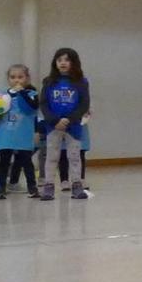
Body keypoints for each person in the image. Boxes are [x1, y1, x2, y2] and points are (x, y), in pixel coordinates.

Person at [39, 48, 91, 202]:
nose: (63, 63)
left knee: (74, 156)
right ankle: (48, 186)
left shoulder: (81, 82)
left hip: (73, 126)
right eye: (59, 60)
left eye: (67, 60)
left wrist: (69, 118)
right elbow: (44, 104)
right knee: (52, 156)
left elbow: (84, 103)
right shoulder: (49, 81)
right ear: (55, 63)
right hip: (53, 126)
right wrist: (55, 120)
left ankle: (76, 184)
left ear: (74, 63)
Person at [0, 63, 40, 199]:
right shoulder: (1, 95)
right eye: (13, 77)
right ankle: (0, 189)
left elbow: (32, 107)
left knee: (26, 162)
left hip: (23, 134)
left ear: (27, 78)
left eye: (20, 77)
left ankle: (32, 188)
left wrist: (21, 92)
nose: (17, 80)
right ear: (8, 79)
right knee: (4, 161)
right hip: (6, 134)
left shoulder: (32, 94)